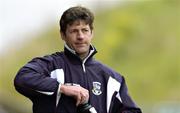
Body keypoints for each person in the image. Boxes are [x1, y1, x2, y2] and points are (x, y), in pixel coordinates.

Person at [14, 6, 142, 113]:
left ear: (92, 33)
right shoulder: (51, 65)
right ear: (63, 35)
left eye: (85, 30)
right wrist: (62, 88)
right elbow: (22, 78)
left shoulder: (112, 78)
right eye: (74, 31)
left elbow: (132, 111)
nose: (80, 36)